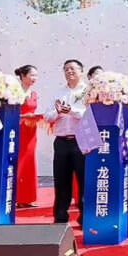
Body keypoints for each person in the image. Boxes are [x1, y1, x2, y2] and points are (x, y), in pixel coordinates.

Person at [45, 59, 87, 226]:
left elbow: (88, 115)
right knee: (61, 180)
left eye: (73, 69)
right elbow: (47, 116)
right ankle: (60, 217)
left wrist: (72, 111)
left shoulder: (88, 91)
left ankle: (85, 216)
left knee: (84, 179)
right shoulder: (59, 92)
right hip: (61, 141)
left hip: (81, 140)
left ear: (81, 71)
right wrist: (57, 112)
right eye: (66, 69)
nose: (69, 72)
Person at [14, 65, 40, 208]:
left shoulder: (34, 93)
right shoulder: (14, 92)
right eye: (31, 75)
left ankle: (29, 197)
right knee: (19, 161)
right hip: (18, 129)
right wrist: (24, 116)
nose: (34, 78)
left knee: (30, 161)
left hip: (31, 130)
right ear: (23, 76)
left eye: (36, 75)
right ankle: (17, 197)